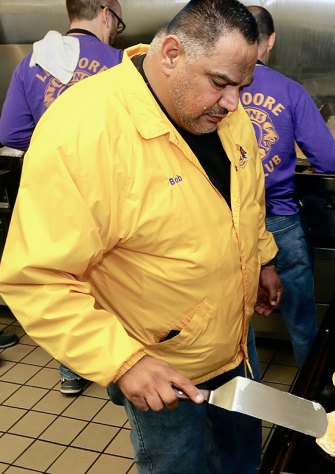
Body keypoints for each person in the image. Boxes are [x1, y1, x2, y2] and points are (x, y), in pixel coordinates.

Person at [0, 0, 281, 472]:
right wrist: (124, 362)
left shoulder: (228, 117)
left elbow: (246, 201)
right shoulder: (84, 131)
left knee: (239, 458)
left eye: (243, 86)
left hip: (236, 339)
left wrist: (264, 260)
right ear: (171, 53)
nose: (234, 102)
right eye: (221, 83)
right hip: (161, 360)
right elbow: (37, 277)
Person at [0, 0, 125, 395]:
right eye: (117, 22)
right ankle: (119, 368)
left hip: (56, 193)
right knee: (115, 274)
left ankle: (72, 371)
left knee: (63, 273)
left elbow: (11, 134)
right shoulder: (122, 64)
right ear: (106, 13)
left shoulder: (31, 62)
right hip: (112, 189)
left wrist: (54, 149)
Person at [242, 6, 335, 368]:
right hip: (280, 220)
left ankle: (245, 399)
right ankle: (309, 399)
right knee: (301, 321)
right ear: (270, 40)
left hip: (228, 224)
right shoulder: (290, 90)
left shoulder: (215, 87)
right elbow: (329, 161)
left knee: (235, 325)